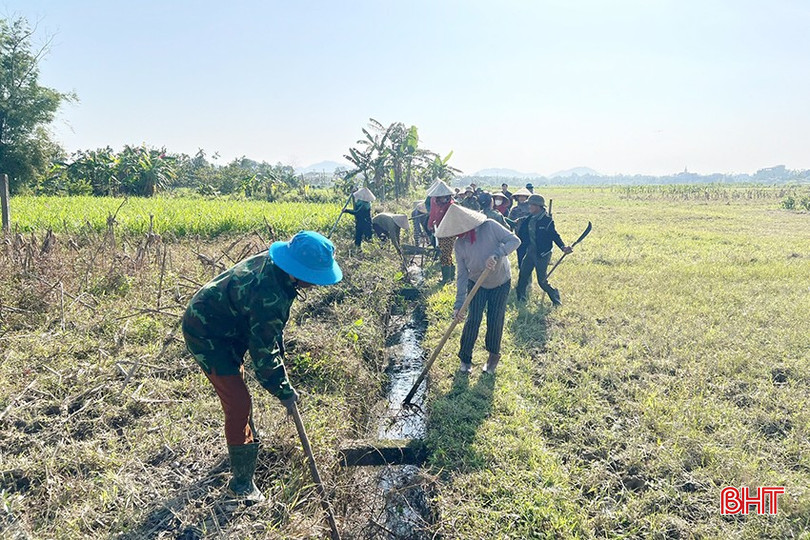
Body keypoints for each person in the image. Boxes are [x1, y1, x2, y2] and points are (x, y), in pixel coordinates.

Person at [182, 231, 343, 502]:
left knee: (239, 395)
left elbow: (269, 334)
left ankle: (244, 439)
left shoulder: (280, 271)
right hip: (207, 331)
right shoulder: (269, 292)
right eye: (313, 278)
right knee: (238, 401)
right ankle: (241, 485)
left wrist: (281, 376)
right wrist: (284, 391)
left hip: (231, 326)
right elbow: (263, 354)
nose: (315, 285)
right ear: (298, 271)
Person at [435, 204, 520, 374]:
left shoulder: (490, 226)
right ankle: (465, 359)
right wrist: (459, 304)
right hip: (476, 283)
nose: (459, 234)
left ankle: (493, 357)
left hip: (500, 282)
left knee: (495, 320)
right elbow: (462, 275)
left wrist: (497, 253)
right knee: (473, 319)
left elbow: (515, 241)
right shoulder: (459, 245)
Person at [514, 195, 572, 305]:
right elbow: (522, 233)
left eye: (531, 205)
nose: (529, 207)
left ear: (538, 206)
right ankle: (521, 300)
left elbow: (554, 235)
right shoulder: (528, 219)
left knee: (542, 281)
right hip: (530, 251)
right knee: (523, 276)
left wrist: (563, 247)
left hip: (543, 253)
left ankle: (555, 297)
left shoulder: (547, 221)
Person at [426, 180, 456, 283]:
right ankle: (450, 276)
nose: (444, 199)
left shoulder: (452, 205)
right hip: (440, 230)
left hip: (449, 232)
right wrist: (430, 224)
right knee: (445, 253)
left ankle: (446, 278)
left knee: (445, 254)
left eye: (445, 197)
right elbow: (433, 214)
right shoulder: (435, 202)